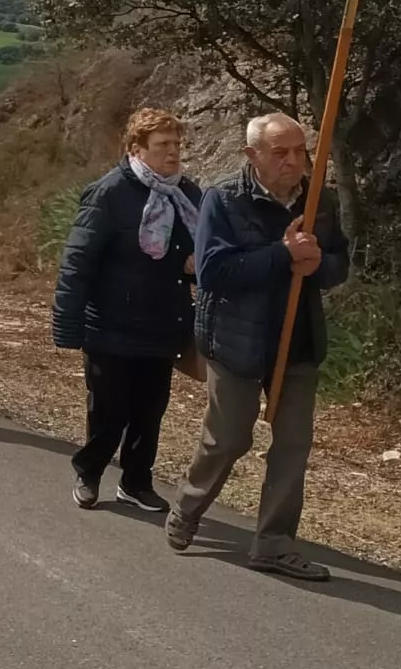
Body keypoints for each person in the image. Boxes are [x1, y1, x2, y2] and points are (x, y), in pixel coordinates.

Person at [168, 113, 350, 581]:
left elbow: (338, 264)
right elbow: (212, 273)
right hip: (235, 340)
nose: (294, 162)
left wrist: (315, 266)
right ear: (252, 156)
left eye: (299, 151)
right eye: (280, 153)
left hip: (298, 341)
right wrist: (282, 255)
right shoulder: (224, 199)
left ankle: (273, 543)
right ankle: (189, 505)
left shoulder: (318, 200)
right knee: (229, 439)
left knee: (293, 445)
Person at [52, 107, 202, 512]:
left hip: (162, 322)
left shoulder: (188, 194)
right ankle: (89, 471)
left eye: (176, 144)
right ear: (137, 148)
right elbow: (78, 260)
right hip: (110, 324)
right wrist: (67, 324)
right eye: (162, 146)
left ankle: (136, 482)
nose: (173, 153)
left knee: (149, 412)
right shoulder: (110, 192)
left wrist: (192, 263)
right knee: (109, 412)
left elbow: (198, 249)